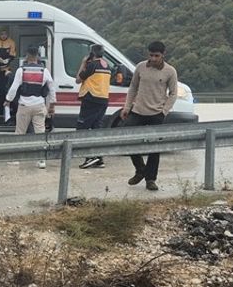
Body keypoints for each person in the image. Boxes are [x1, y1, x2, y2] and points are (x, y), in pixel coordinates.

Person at [120, 41, 178, 191]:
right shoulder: (140, 67)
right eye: (151, 55)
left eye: (156, 56)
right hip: (138, 110)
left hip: (156, 113)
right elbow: (133, 87)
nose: (153, 59)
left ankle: (150, 179)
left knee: (154, 147)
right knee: (127, 139)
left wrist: (164, 111)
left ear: (163, 55)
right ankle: (140, 169)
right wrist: (127, 106)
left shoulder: (170, 71)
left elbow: (173, 94)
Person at [4, 46, 55, 168]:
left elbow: (14, 88)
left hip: (24, 105)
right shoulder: (44, 71)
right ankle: (41, 160)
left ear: (27, 56)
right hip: (39, 105)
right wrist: (52, 105)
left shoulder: (21, 70)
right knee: (40, 133)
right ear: (38, 56)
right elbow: (52, 89)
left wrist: (7, 100)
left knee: (20, 132)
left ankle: (16, 159)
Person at [76, 44, 112, 168]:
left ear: (92, 53)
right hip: (103, 99)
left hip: (91, 98)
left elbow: (78, 79)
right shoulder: (107, 65)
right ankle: (99, 158)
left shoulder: (92, 65)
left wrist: (83, 63)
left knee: (83, 129)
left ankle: (90, 157)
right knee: (96, 129)